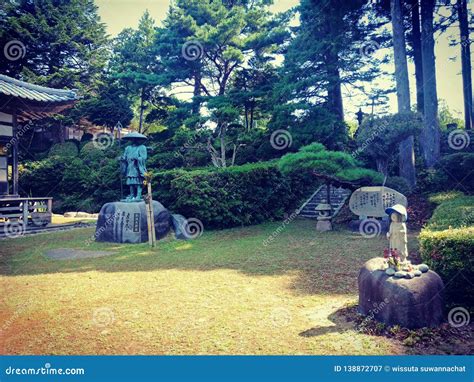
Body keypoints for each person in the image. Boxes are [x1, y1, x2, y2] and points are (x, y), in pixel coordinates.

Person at [120, 132, 147, 202]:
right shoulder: (128, 148)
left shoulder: (142, 147)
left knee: (138, 181)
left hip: (137, 166)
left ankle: (138, 195)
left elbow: (144, 157)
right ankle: (132, 195)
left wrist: (137, 158)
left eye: (136, 139)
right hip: (130, 166)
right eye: (132, 139)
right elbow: (125, 157)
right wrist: (122, 158)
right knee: (130, 181)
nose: (134, 140)